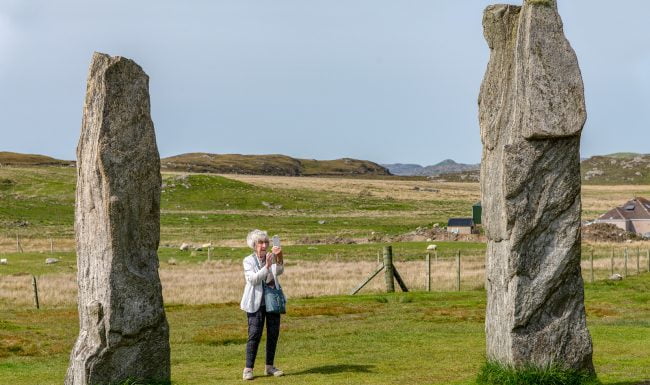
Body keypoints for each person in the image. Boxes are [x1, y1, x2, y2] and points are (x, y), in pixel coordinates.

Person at [240, 229, 285, 380]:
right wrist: (266, 266)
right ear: (254, 244)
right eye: (260, 242)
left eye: (266, 242)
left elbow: (279, 272)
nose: (264, 245)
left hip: (272, 301)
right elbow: (253, 279)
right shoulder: (248, 260)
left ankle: (269, 367)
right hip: (255, 303)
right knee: (254, 334)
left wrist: (279, 258)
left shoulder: (270, 256)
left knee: (273, 334)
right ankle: (248, 369)